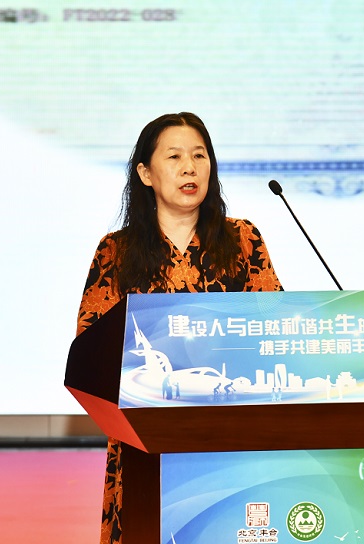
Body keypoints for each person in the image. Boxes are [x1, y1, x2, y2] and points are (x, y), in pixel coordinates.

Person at [75, 112, 282, 544]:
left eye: (199, 156)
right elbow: (90, 350)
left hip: (231, 435)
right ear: (146, 174)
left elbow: (274, 328)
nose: (190, 167)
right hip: (145, 442)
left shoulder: (243, 240)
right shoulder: (116, 252)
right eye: (174, 157)